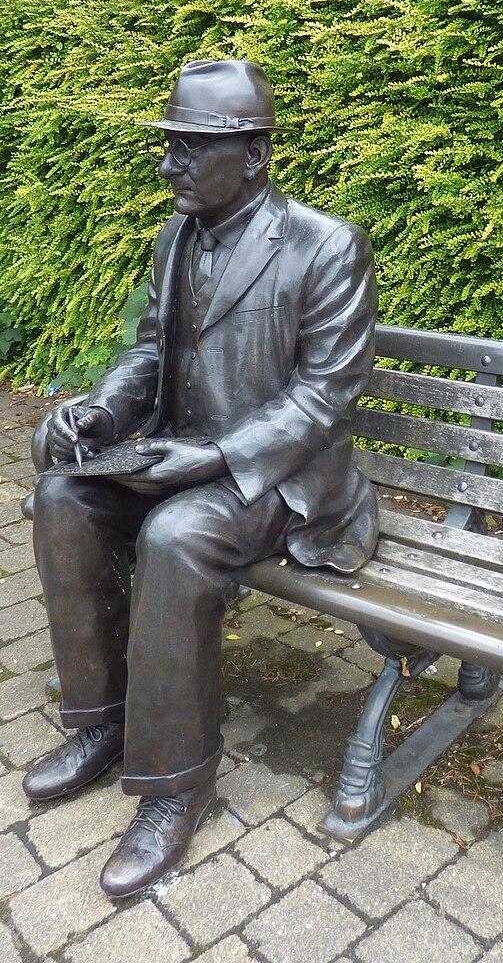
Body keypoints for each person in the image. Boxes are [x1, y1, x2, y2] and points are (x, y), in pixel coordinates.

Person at [23, 59, 379, 897]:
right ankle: (101, 723)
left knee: (176, 536)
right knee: (62, 495)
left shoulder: (326, 246)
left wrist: (219, 457)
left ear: (253, 154)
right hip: (180, 456)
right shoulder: (175, 237)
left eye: (189, 147)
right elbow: (148, 348)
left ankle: (175, 786)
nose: (168, 163)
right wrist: (103, 413)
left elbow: (327, 397)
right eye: (170, 145)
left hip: (283, 482)